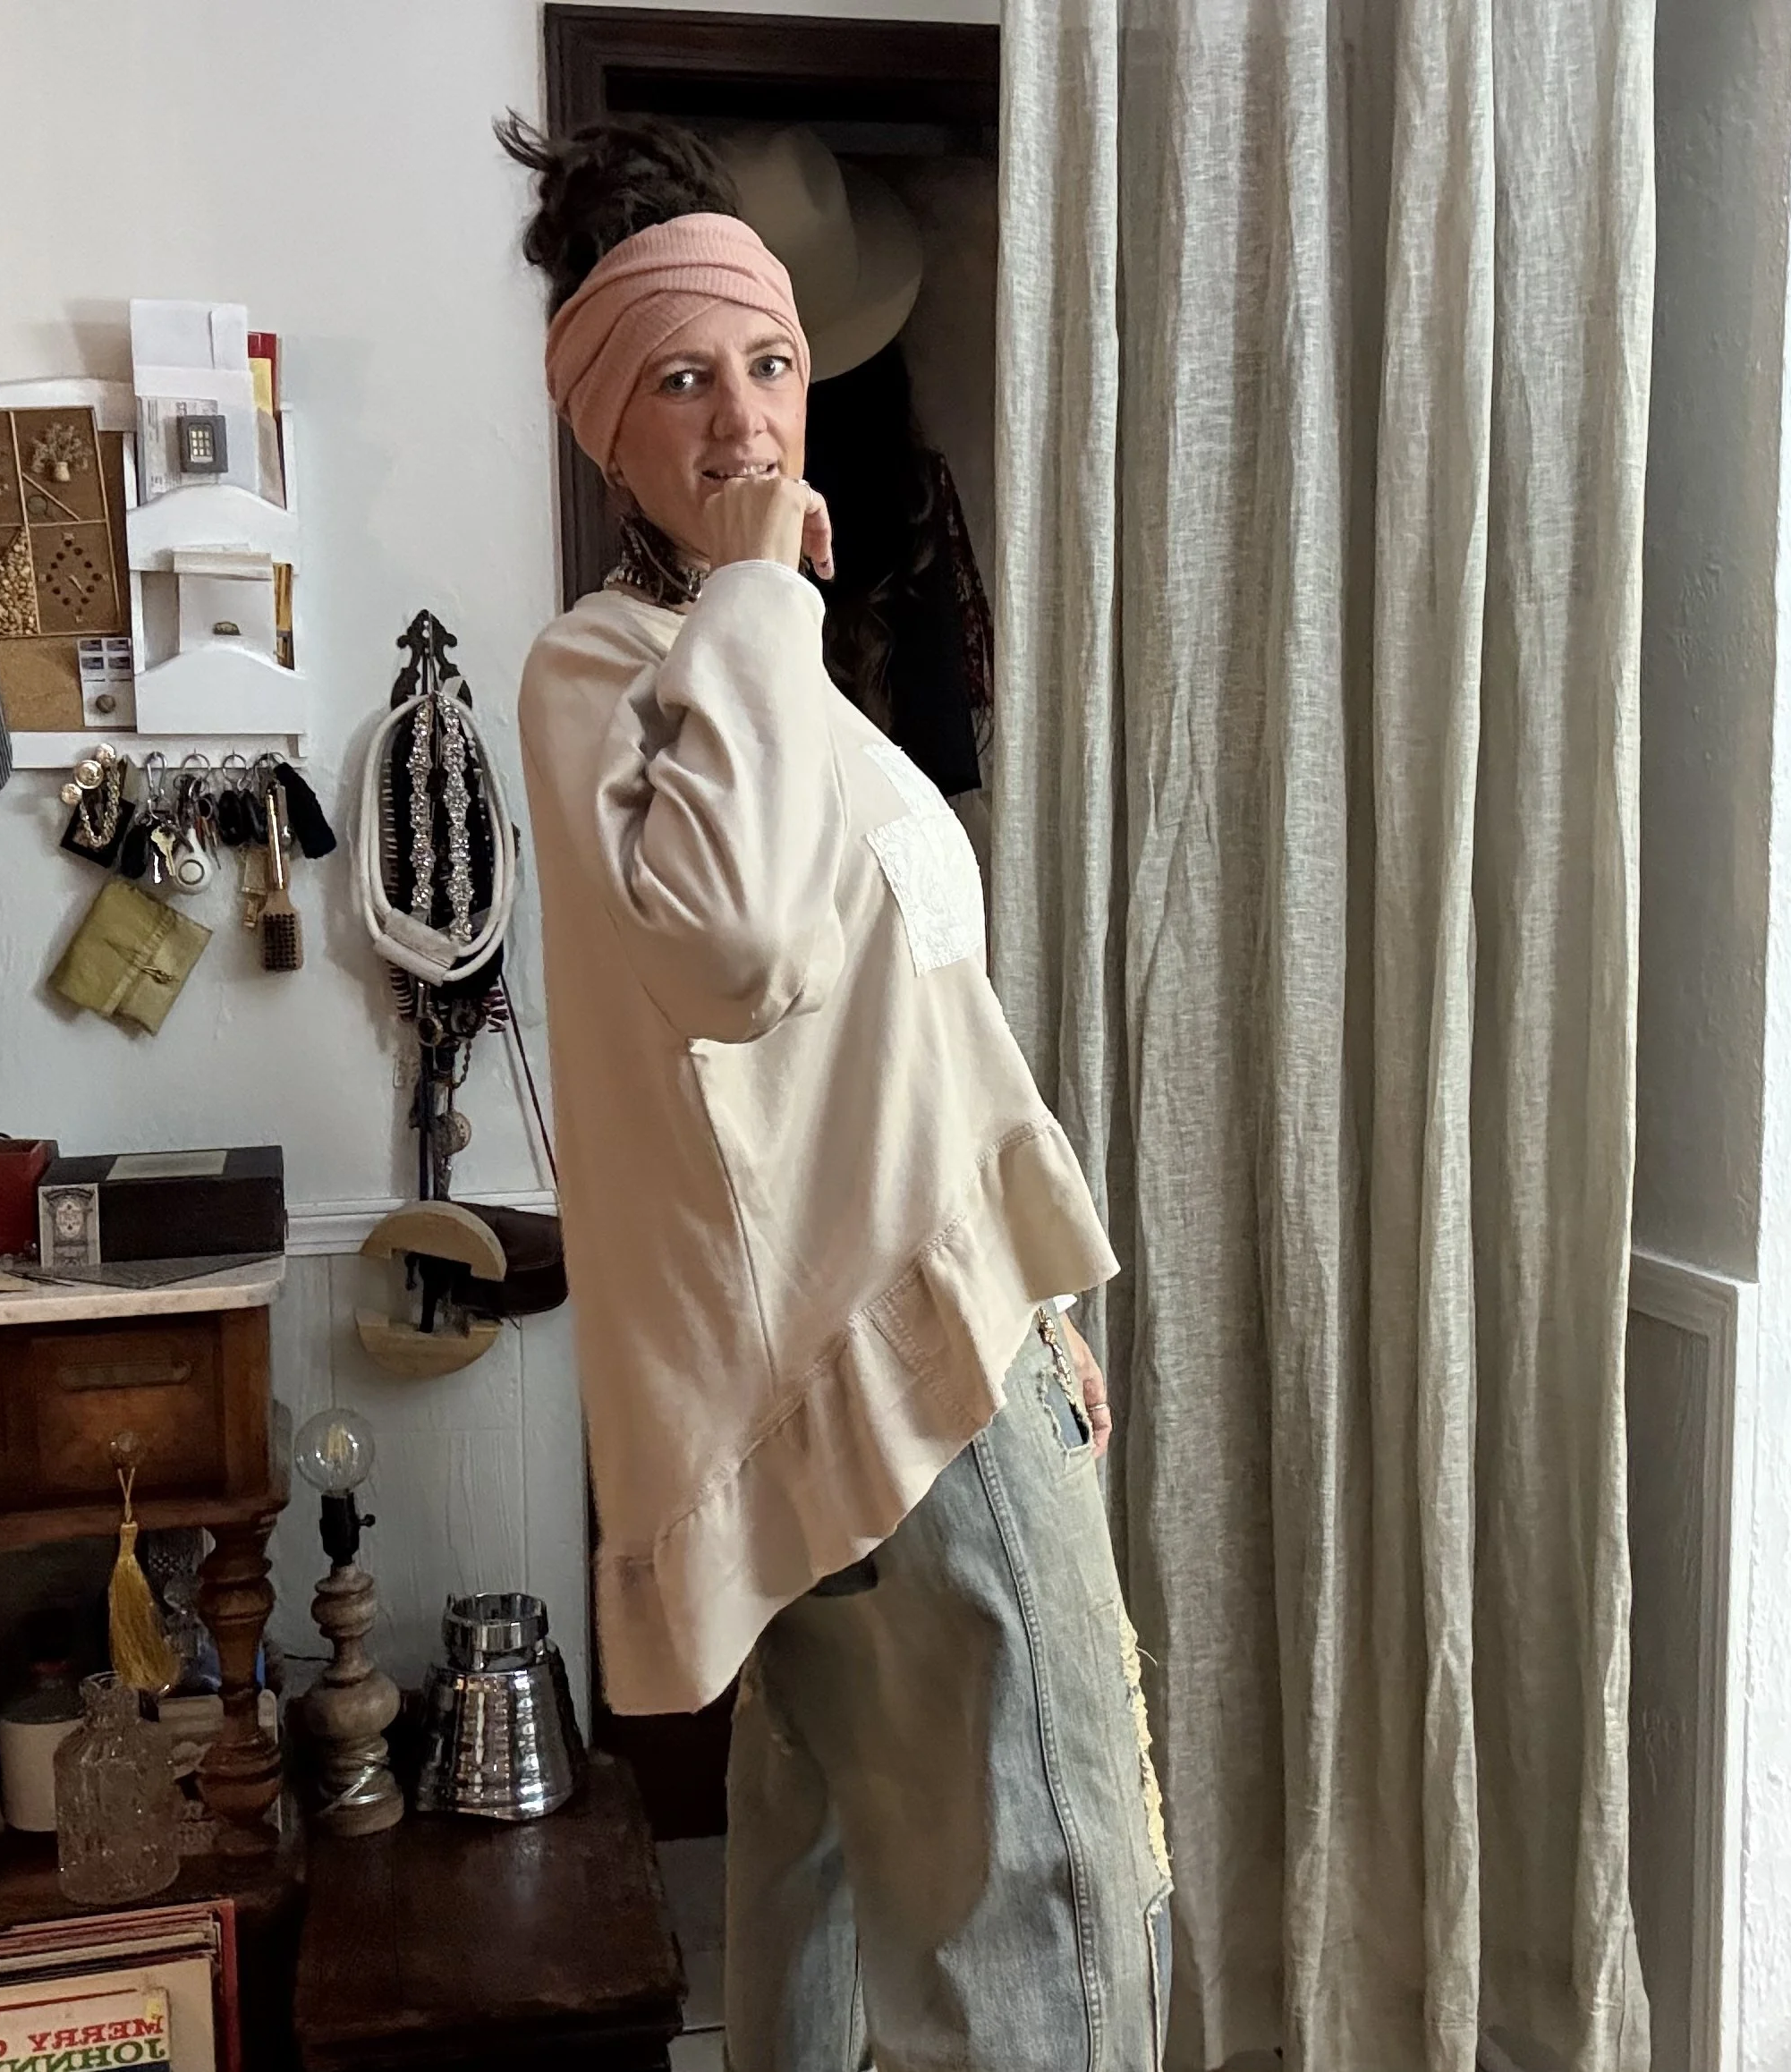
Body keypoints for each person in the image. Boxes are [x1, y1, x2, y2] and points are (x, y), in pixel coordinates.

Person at [500, 113, 1173, 2071]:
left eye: (773, 364)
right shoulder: (610, 669)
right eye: (682, 382)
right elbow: (733, 953)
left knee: (834, 1906)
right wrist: (754, 599)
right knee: (1047, 1921)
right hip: (872, 1393)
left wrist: (1033, 1295)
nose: (744, 421)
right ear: (606, 434)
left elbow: (921, 1024)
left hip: (931, 1353)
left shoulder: (773, 671)